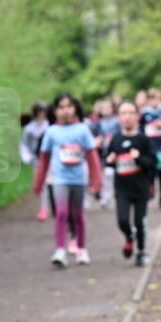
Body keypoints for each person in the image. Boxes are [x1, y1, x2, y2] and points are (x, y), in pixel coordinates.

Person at [32, 93, 103, 267]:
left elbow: (92, 156)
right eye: (61, 107)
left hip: (79, 179)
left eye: (69, 106)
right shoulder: (51, 132)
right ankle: (60, 250)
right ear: (55, 111)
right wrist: (38, 183)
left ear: (75, 108)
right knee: (61, 213)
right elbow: (43, 159)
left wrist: (97, 180)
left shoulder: (82, 130)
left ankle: (81, 249)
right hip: (59, 179)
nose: (65, 111)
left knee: (78, 215)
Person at [105, 101, 156, 267]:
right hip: (122, 189)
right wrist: (110, 161)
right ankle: (129, 236)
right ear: (119, 117)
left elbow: (152, 162)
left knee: (140, 222)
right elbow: (110, 161)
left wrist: (139, 158)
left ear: (137, 116)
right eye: (123, 113)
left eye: (130, 113)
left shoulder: (143, 139)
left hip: (141, 189)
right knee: (122, 221)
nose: (127, 117)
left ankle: (141, 252)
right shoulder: (116, 139)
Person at [140, 88, 161, 209]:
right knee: (150, 171)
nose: (155, 102)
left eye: (157, 98)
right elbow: (140, 128)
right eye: (152, 99)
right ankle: (151, 189)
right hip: (150, 146)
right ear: (148, 100)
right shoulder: (144, 113)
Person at [20, 102, 50, 221]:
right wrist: (26, 157)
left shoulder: (49, 126)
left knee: (51, 184)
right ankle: (43, 208)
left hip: (51, 159)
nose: (42, 114)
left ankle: (55, 207)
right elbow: (24, 144)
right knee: (41, 185)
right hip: (37, 159)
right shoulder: (29, 129)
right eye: (40, 112)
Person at [93, 98, 121, 210]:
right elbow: (94, 137)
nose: (106, 110)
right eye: (103, 108)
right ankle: (106, 198)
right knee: (107, 175)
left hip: (117, 153)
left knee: (116, 175)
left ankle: (119, 196)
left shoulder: (117, 122)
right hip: (103, 153)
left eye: (108, 107)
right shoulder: (98, 124)